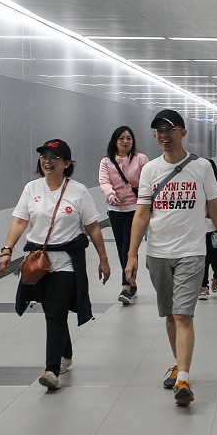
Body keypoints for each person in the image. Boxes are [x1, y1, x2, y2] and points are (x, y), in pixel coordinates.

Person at [125, 109, 217, 406]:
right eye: (158, 130)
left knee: (183, 315)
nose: (163, 134)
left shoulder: (201, 167)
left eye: (169, 129)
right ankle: (179, 364)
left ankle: (184, 377)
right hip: (159, 253)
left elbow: (216, 209)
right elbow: (142, 213)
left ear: (183, 133)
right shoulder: (150, 170)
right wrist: (132, 255)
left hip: (191, 251)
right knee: (171, 315)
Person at [0, 139, 111, 391]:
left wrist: (104, 259)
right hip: (38, 264)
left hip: (66, 264)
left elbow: (92, 226)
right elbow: (19, 222)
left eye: (55, 157)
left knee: (55, 313)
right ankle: (66, 353)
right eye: (44, 157)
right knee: (52, 312)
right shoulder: (31, 188)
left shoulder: (78, 191)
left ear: (67, 163)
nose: (48, 161)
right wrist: (7, 250)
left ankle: (51, 370)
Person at [98, 126, 149, 305]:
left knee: (129, 247)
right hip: (115, 211)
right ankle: (131, 280)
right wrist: (110, 195)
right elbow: (104, 181)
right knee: (121, 248)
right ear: (115, 141)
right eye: (121, 138)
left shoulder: (141, 159)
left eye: (129, 138)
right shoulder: (106, 161)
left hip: (136, 209)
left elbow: (148, 181)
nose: (125, 141)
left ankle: (126, 286)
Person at [200, 157, 217, 300]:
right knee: (203, 258)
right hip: (200, 229)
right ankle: (203, 286)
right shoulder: (197, 186)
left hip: (216, 229)